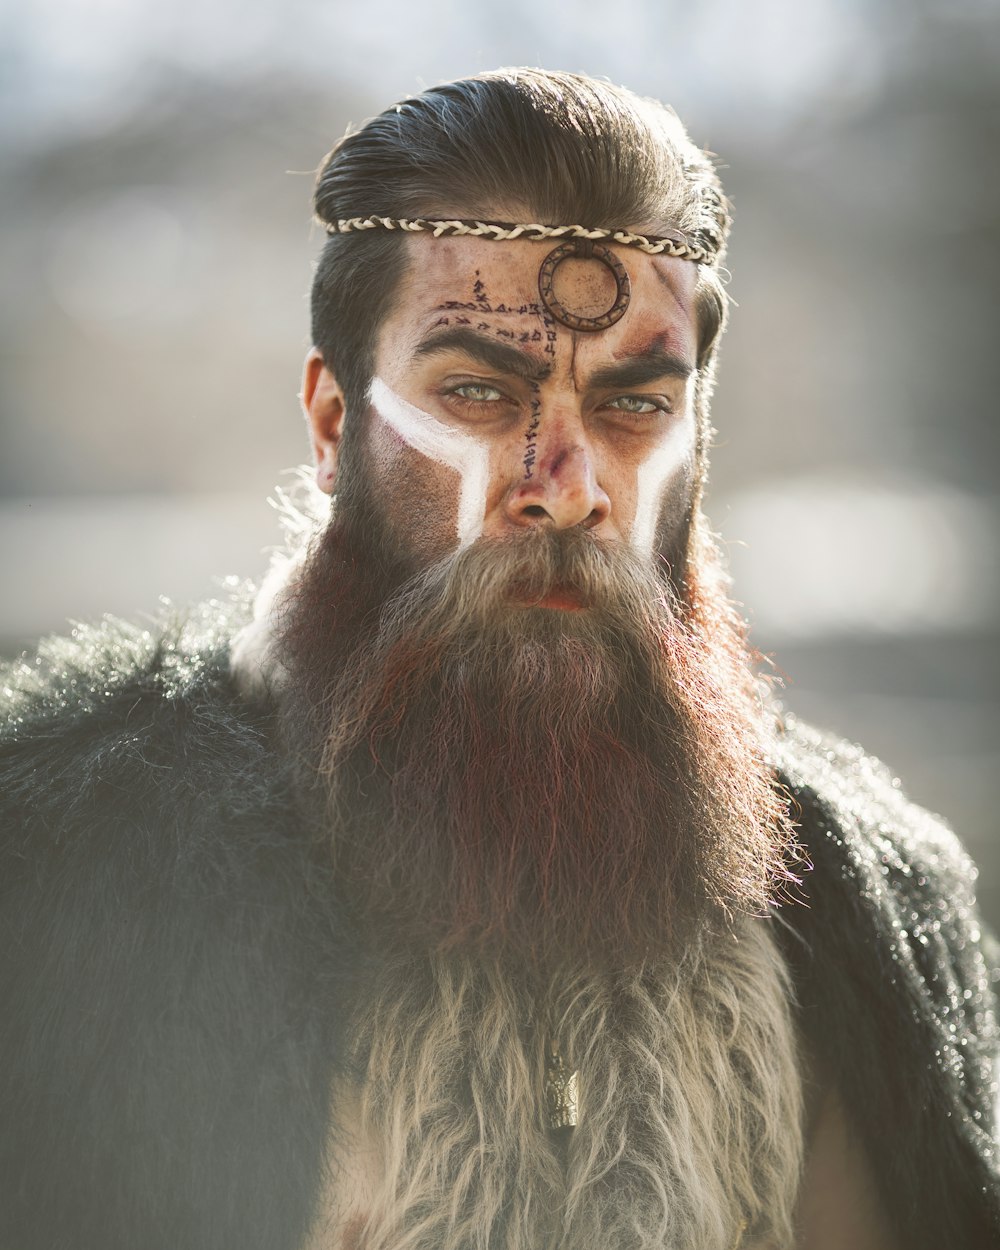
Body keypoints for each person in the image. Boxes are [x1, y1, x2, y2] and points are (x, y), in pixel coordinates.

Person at [1, 68, 997, 1250]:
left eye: (631, 408)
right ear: (333, 425)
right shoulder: (54, 868)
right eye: (477, 391)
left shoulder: (863, 901)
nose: (562, 489)